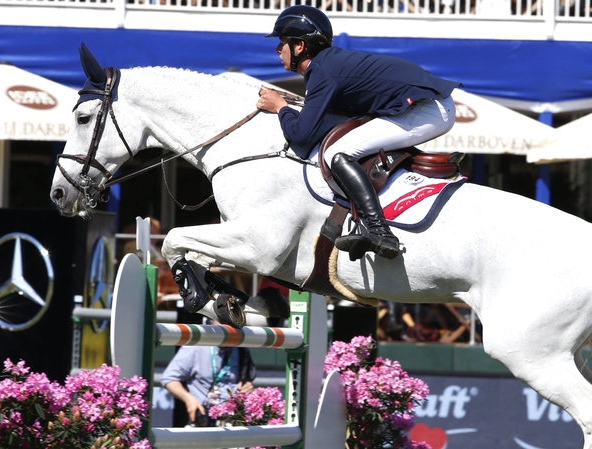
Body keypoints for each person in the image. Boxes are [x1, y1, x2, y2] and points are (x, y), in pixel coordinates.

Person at [256, 5, 460, 260]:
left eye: (282, 42)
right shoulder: (326, 66)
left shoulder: (322, 72)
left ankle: (380, 231)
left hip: (428, 109)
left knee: (338, 153)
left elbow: (300, 135)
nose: (277, 49)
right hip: (427, 105)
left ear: (299, 47)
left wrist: (281, 108)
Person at [160, 323, 256, 427]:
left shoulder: (242, 349)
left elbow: (246, 382)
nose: (227, 325)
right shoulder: (196, 346)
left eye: (231, 321)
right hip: (202, 417)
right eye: (221, 320)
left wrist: (248, 387)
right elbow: (169, 378)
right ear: (211, 322)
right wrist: (189, 399)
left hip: (232, 419)